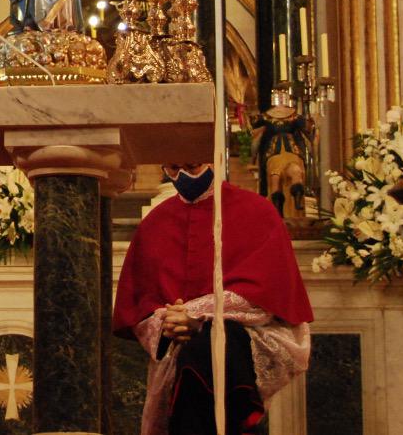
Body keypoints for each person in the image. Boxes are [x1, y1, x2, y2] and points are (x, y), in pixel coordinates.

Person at [114, 164, 313, 435]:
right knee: (197, 352)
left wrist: (194, 316)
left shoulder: (256, 210)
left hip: (246, 342)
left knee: (210, 345)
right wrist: (166, 324)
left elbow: (264, 295)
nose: (185, 170)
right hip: (176, 350)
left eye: (195, 163)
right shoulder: (155, 222)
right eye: (175, 166)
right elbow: (140, 307)